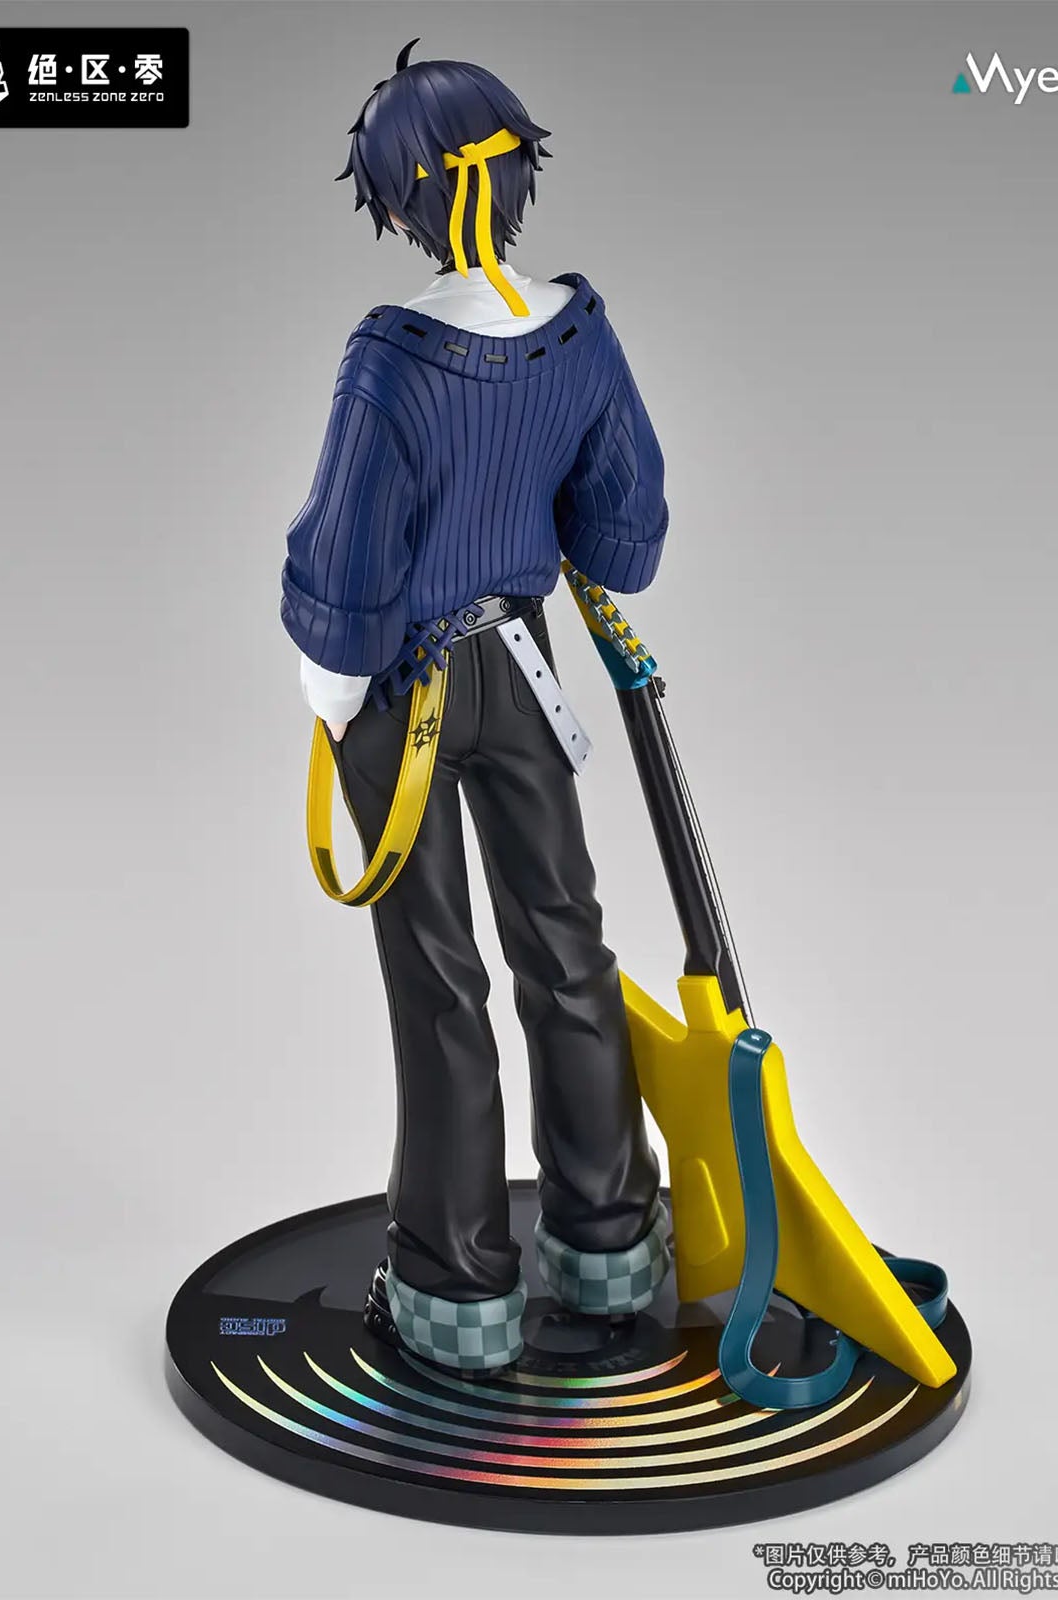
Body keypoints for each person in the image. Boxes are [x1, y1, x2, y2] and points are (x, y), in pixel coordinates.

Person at [281, 41, 670, 1375]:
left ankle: (458, 1288)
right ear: (514, 175)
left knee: (438, 976)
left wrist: (332, 679)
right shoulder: (579, 331)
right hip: (525, 664)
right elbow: (622, 527)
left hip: (404, 686)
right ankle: (610, 1241)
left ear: (400, 196)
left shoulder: (392, 357)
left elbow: (350, 545)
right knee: (567, 946)